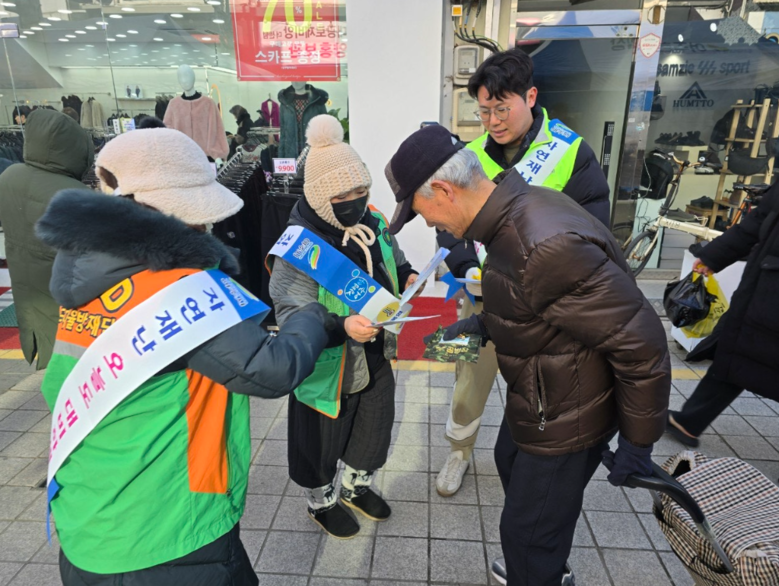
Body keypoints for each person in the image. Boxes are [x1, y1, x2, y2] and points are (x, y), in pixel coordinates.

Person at [36, 127, 333, 586]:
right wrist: (311, 316)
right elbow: (273, 370)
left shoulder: (89, 274)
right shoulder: (175, 288)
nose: (207, 226)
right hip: (168, 528)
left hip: (88, 518)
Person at [385, 125, 670, 586]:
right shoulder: (516, 213)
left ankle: (539, 569)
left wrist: (639, 443)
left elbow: (641, 343)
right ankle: (544, 563)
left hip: (568, 414)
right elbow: (529, 305)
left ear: (444, 190)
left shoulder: (541, 243)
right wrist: (464, 333)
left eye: (422, 213)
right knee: (509, 462)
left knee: (526, 535)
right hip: (542, 394)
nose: (431, 225)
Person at [435, 47, 612, 497]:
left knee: (538, 385)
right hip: (481, 297)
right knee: (467, 378)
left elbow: (593, 228)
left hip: (544, 307)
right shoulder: (470, 155)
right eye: (484, 111)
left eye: (502, 108)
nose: (492, 121)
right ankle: (459, 450)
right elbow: (448, 224)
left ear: (530, 97)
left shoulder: (569, 151)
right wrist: (463, 265)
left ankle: (530, 461)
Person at [268, 115, 420, 539]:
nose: (354, 201)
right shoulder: (299, 246)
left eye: (360, 190)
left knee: (374, 426)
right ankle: (321, 500)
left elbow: (393, 258)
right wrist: (340, 325)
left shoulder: (373, 220)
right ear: (319, 197)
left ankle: (355, 485)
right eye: (341, 195)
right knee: (320, 439)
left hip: (375, 352)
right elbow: (290, 313)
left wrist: (407, 274)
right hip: (326, 365)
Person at [666, 180, 779, 447]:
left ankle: (689, 422)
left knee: (740, 352)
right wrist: (714, 256)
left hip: (768, 293)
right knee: (735, 353)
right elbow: (758, 220)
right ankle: (689, 422)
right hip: (763, 290)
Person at [0, 109, 94, 369]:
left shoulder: (9, 177)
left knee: (45, 343)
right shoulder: (77, 194)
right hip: (69, 294)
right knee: (73, 356)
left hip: (26, 287)